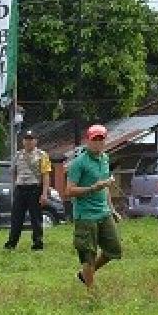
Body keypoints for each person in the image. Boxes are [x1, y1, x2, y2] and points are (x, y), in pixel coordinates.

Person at [66, 124, 122, 291]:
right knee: (87, 255)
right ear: (88, 141)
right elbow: (69, 190)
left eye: (101, 139)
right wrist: (92, 188)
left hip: (103, 212)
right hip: (85, 216)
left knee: (114, 250)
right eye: (94, 139)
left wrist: (112, 209)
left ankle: (85, 276)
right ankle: (91, 293)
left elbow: (105, 187)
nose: (98, 142)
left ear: (105, 140)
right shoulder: (79, 163)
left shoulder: (105, 159)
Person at [5, 130, 52, 251]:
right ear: (23, 141)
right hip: (20, 189)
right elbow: (13, 172)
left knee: (36, 218)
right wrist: (17, 184)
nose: (28, 142)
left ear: (35, 141)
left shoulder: (42, 155)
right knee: (16, 218)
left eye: (31, 139)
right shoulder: (17, 155)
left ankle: (38, 243)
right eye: (26, 139)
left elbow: (46, 175)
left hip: (34, 189)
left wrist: (44, 193)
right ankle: (11, 243)